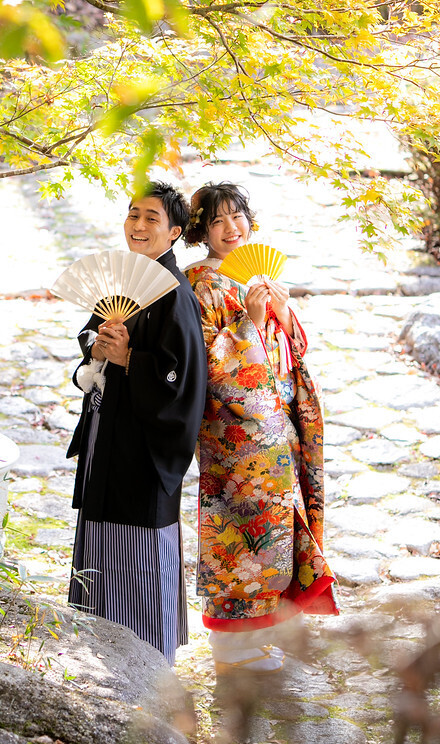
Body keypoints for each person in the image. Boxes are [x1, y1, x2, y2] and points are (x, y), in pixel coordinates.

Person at [184, 181, 337, 674]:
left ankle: (262, 636)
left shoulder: (258, 276)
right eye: (217, 221)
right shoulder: (200, 284)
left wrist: (283, 311)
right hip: (234, 433)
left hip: (278, 424)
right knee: (238, 534)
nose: (231, 229)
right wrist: (248, 322)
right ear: (201, 230)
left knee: (273, 532)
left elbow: (291, 352)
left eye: (237, 217)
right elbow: (208, 364)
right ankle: (231, 650)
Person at [66, 181, 208, 665]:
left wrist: (131, 359)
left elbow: (182, 379)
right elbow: (88, 338)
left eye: (152, 218)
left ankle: (147, 665)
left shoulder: (175, 295)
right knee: (100, 545)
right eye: (133, 215)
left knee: (137, 553)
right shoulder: (124, 279)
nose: (140, 226)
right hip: (108, 437)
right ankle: (100, 658)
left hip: (144, 449)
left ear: (174, 232)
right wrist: (97, 348)